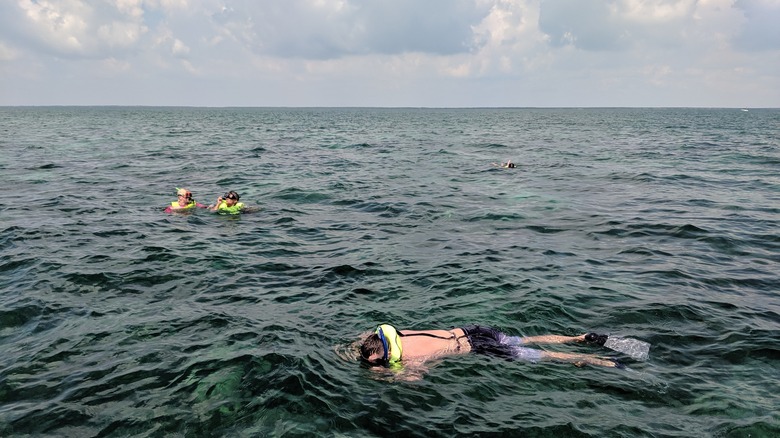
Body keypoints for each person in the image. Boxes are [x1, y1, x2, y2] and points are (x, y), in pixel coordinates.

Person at [359, 324, 621, 372]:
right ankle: (578, 338)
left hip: (477, 347)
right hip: (473, 330)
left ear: (385, 352)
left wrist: (388, 374)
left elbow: (415, 380)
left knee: (541, 356)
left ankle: (601, 362)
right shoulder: (394, 333)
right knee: (524, 340)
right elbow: (365, 336)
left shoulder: (406, 358)